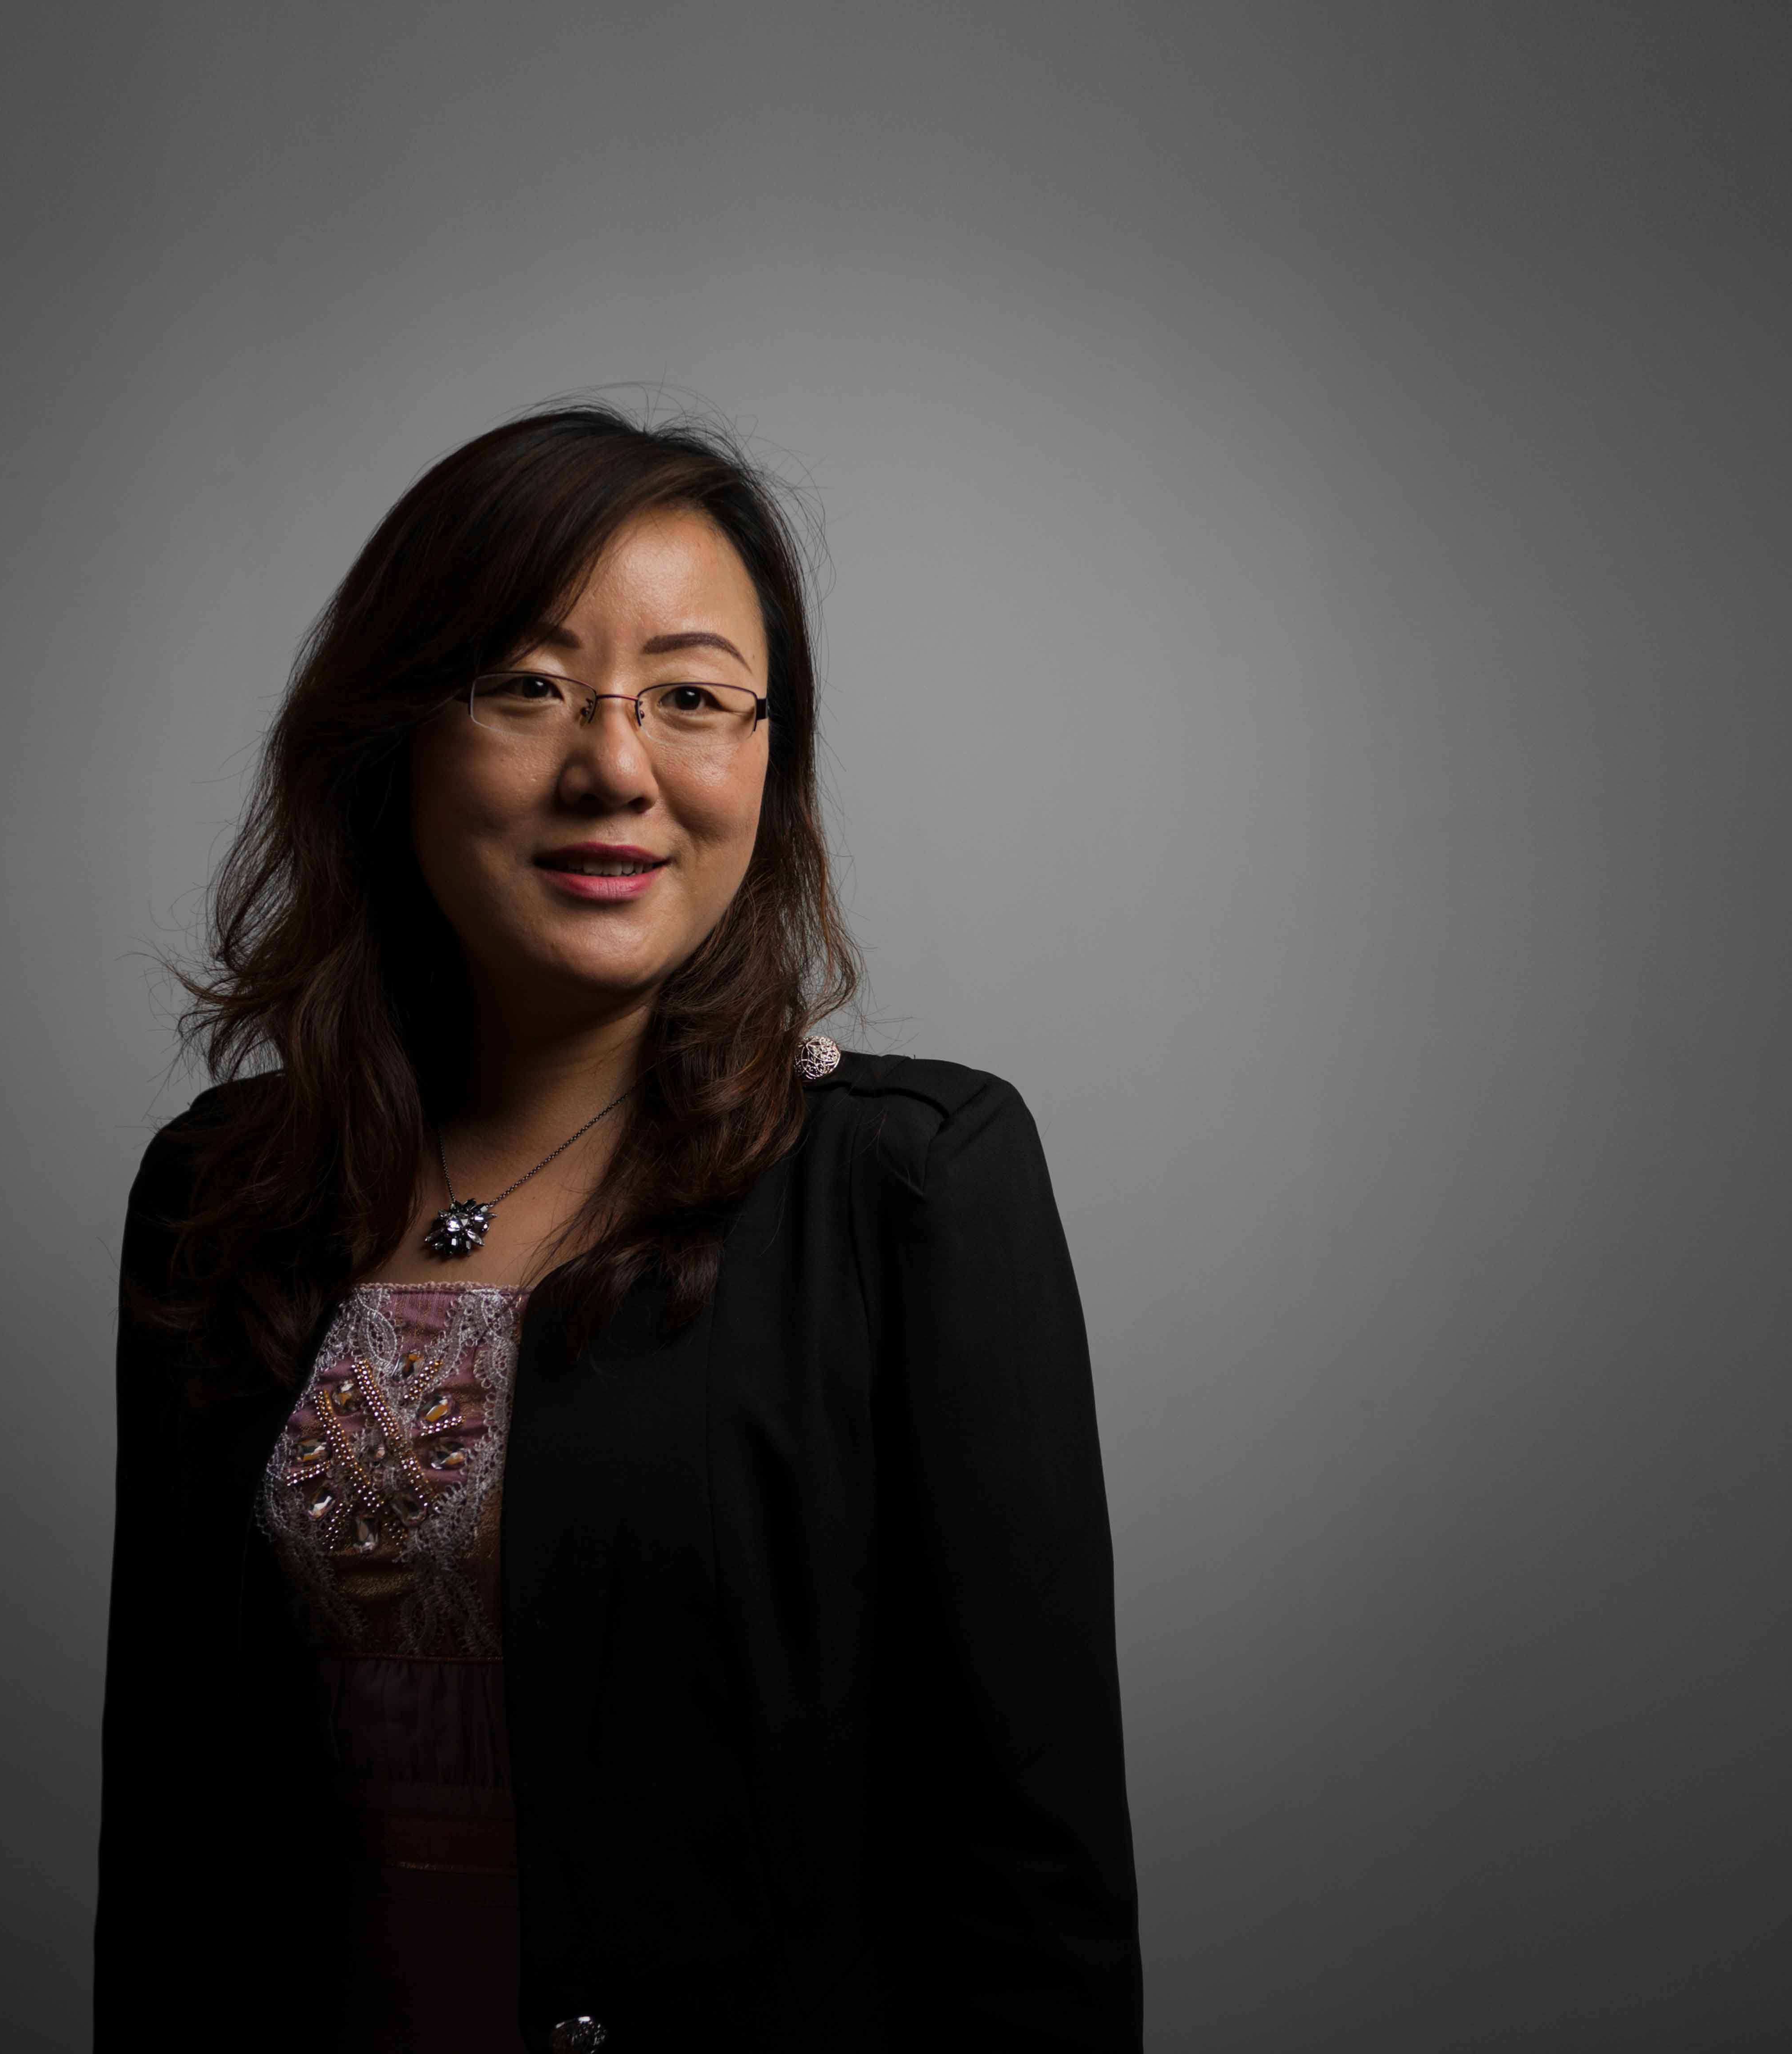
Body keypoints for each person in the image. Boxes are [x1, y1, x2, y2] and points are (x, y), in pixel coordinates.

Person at [94, 402, 1141, 2052]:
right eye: (527, 686)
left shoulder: (915, 1188)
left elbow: (1035, 1897)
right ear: (392, 736)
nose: (616, 769)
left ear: (770, 760)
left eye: (694, 697)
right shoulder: (225, 1192)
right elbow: (170, 1852)